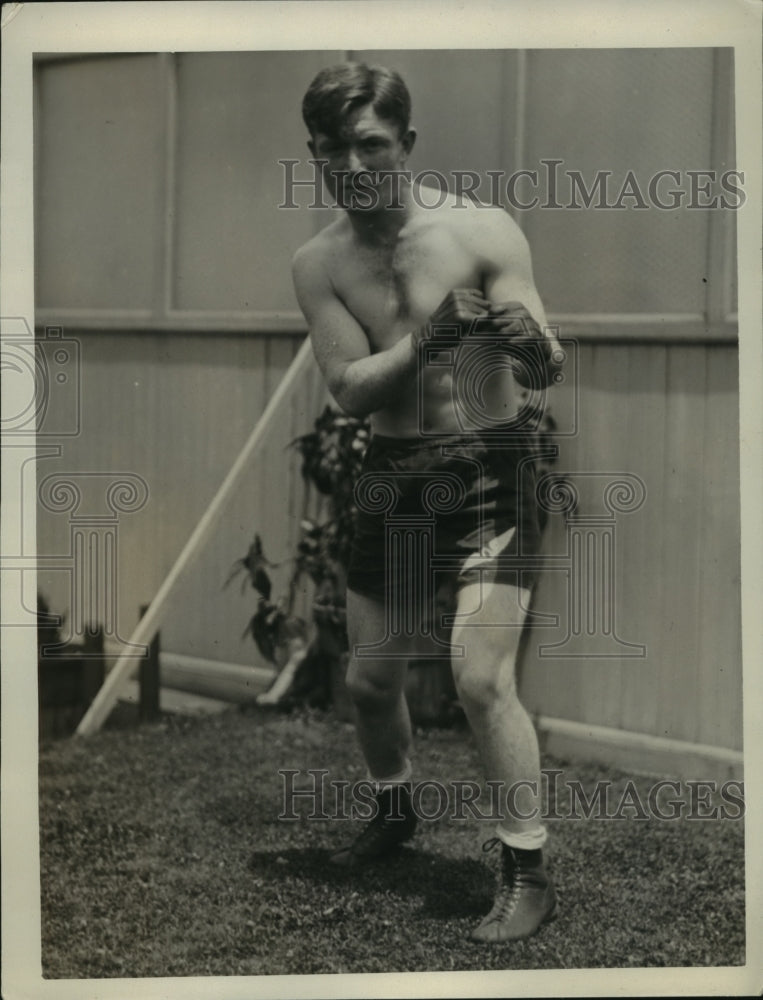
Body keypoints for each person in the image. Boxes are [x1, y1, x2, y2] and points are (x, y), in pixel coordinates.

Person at [291, 62, 564, 943]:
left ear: (405, 143)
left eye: (370, 144)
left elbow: (541, 356)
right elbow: (347, 391)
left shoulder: (481, 229)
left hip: (493, 466)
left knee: (480, 677)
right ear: (315, 155)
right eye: (333, 149)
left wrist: (529, 345)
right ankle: (395, 809)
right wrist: (427, 342)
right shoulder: (320, 261)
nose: (353, 164)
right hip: (395, 471)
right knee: (371, 682)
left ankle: (526, 869)